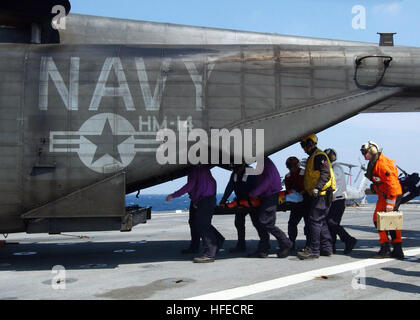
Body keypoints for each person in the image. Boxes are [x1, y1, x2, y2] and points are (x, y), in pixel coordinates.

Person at [166, 165, 225, 263]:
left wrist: (174, 195)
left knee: (202, 225)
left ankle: (210, 253)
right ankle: (213, 241)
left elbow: (190, 185)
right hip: (207, 199)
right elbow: (213, 182)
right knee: (197, 223)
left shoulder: (194, 170)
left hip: (204, 200)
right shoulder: (205, 170)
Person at [361, 141, 404, 259]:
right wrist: (374, 187)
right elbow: (381, 181)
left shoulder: (381, 164)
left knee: (383, 220)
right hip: (385, 194)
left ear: (372, 151)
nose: (364, 155)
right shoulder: (375, 162)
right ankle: (396, 249)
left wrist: (390, 203)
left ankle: (387, 248)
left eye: (365, 153)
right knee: (383, 220)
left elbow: (392, 184)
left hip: (391, 195)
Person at [297, 134, 335, 260]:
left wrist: (317, 188)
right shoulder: (313, 157)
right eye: (302, 145)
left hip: (321, 194)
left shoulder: (319, 156)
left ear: (311, 144)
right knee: (321, 221)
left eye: (304, 145)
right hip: (318, 194)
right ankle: (327, 248)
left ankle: (313, 250)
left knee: (314, 220)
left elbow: (326, 174)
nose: (303, 148)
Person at [248, 156, 293, 258]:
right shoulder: (262, 163)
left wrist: (255, 192)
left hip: (270, 196)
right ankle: (263, 250)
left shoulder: (264, 162)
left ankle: (285, 242)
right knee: (264, 223)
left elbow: (268, 180)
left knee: (265, 222)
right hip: (267, 196)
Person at [324, 148, 357, 255]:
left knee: (331, 222)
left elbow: (334, 184)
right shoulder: (333, 168)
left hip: (338, 200)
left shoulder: (336, 168)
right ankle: (331, 246)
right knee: (331, 224)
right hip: (335, 200)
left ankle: (348, 240)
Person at [219, 164, 257, 252]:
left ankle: (264, 246)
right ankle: (241, 245)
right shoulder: (234, 173)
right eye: (233, 169)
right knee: (239, 223)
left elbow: (255, 186)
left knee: (258, 223)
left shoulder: (251, 171)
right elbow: (230, 186)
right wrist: (223, 200)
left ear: (242, 165)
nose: (234, 170)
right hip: (241, 201)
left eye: (236, 168)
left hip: (253, 201)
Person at [284, 156, 308, 251]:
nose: (292, 168)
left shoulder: (305, 173)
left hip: (306, 202)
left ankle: (309, 244)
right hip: (296, 204)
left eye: (293, 166)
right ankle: (292, 243)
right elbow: (288, 190)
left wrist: (304, 191)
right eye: (290, 167)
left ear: (298, 165)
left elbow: (309, 185)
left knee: (308, 224)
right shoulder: (288, 176)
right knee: (292, 224)